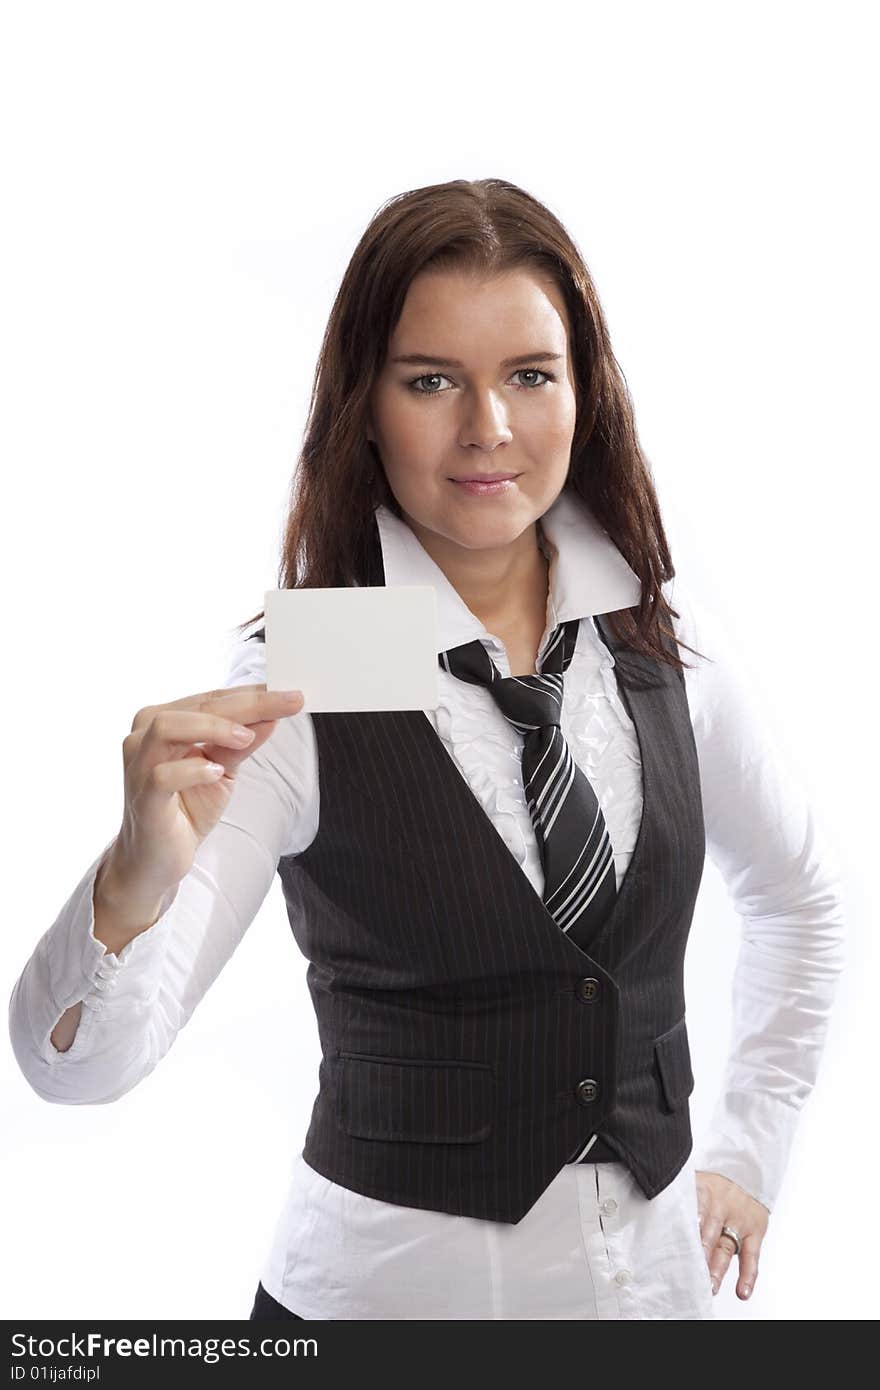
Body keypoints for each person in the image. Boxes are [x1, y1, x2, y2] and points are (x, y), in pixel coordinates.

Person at [8, 178, 845, 1321]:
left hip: (652, 1304)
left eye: (530, 376)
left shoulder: (660, 644)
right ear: (365, 403)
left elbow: (802, 900)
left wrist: (752, 1152)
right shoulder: (304, 675)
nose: (487, 428)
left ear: (585, 395)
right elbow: (79, 1067)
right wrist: (131, 879)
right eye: (431, 379)